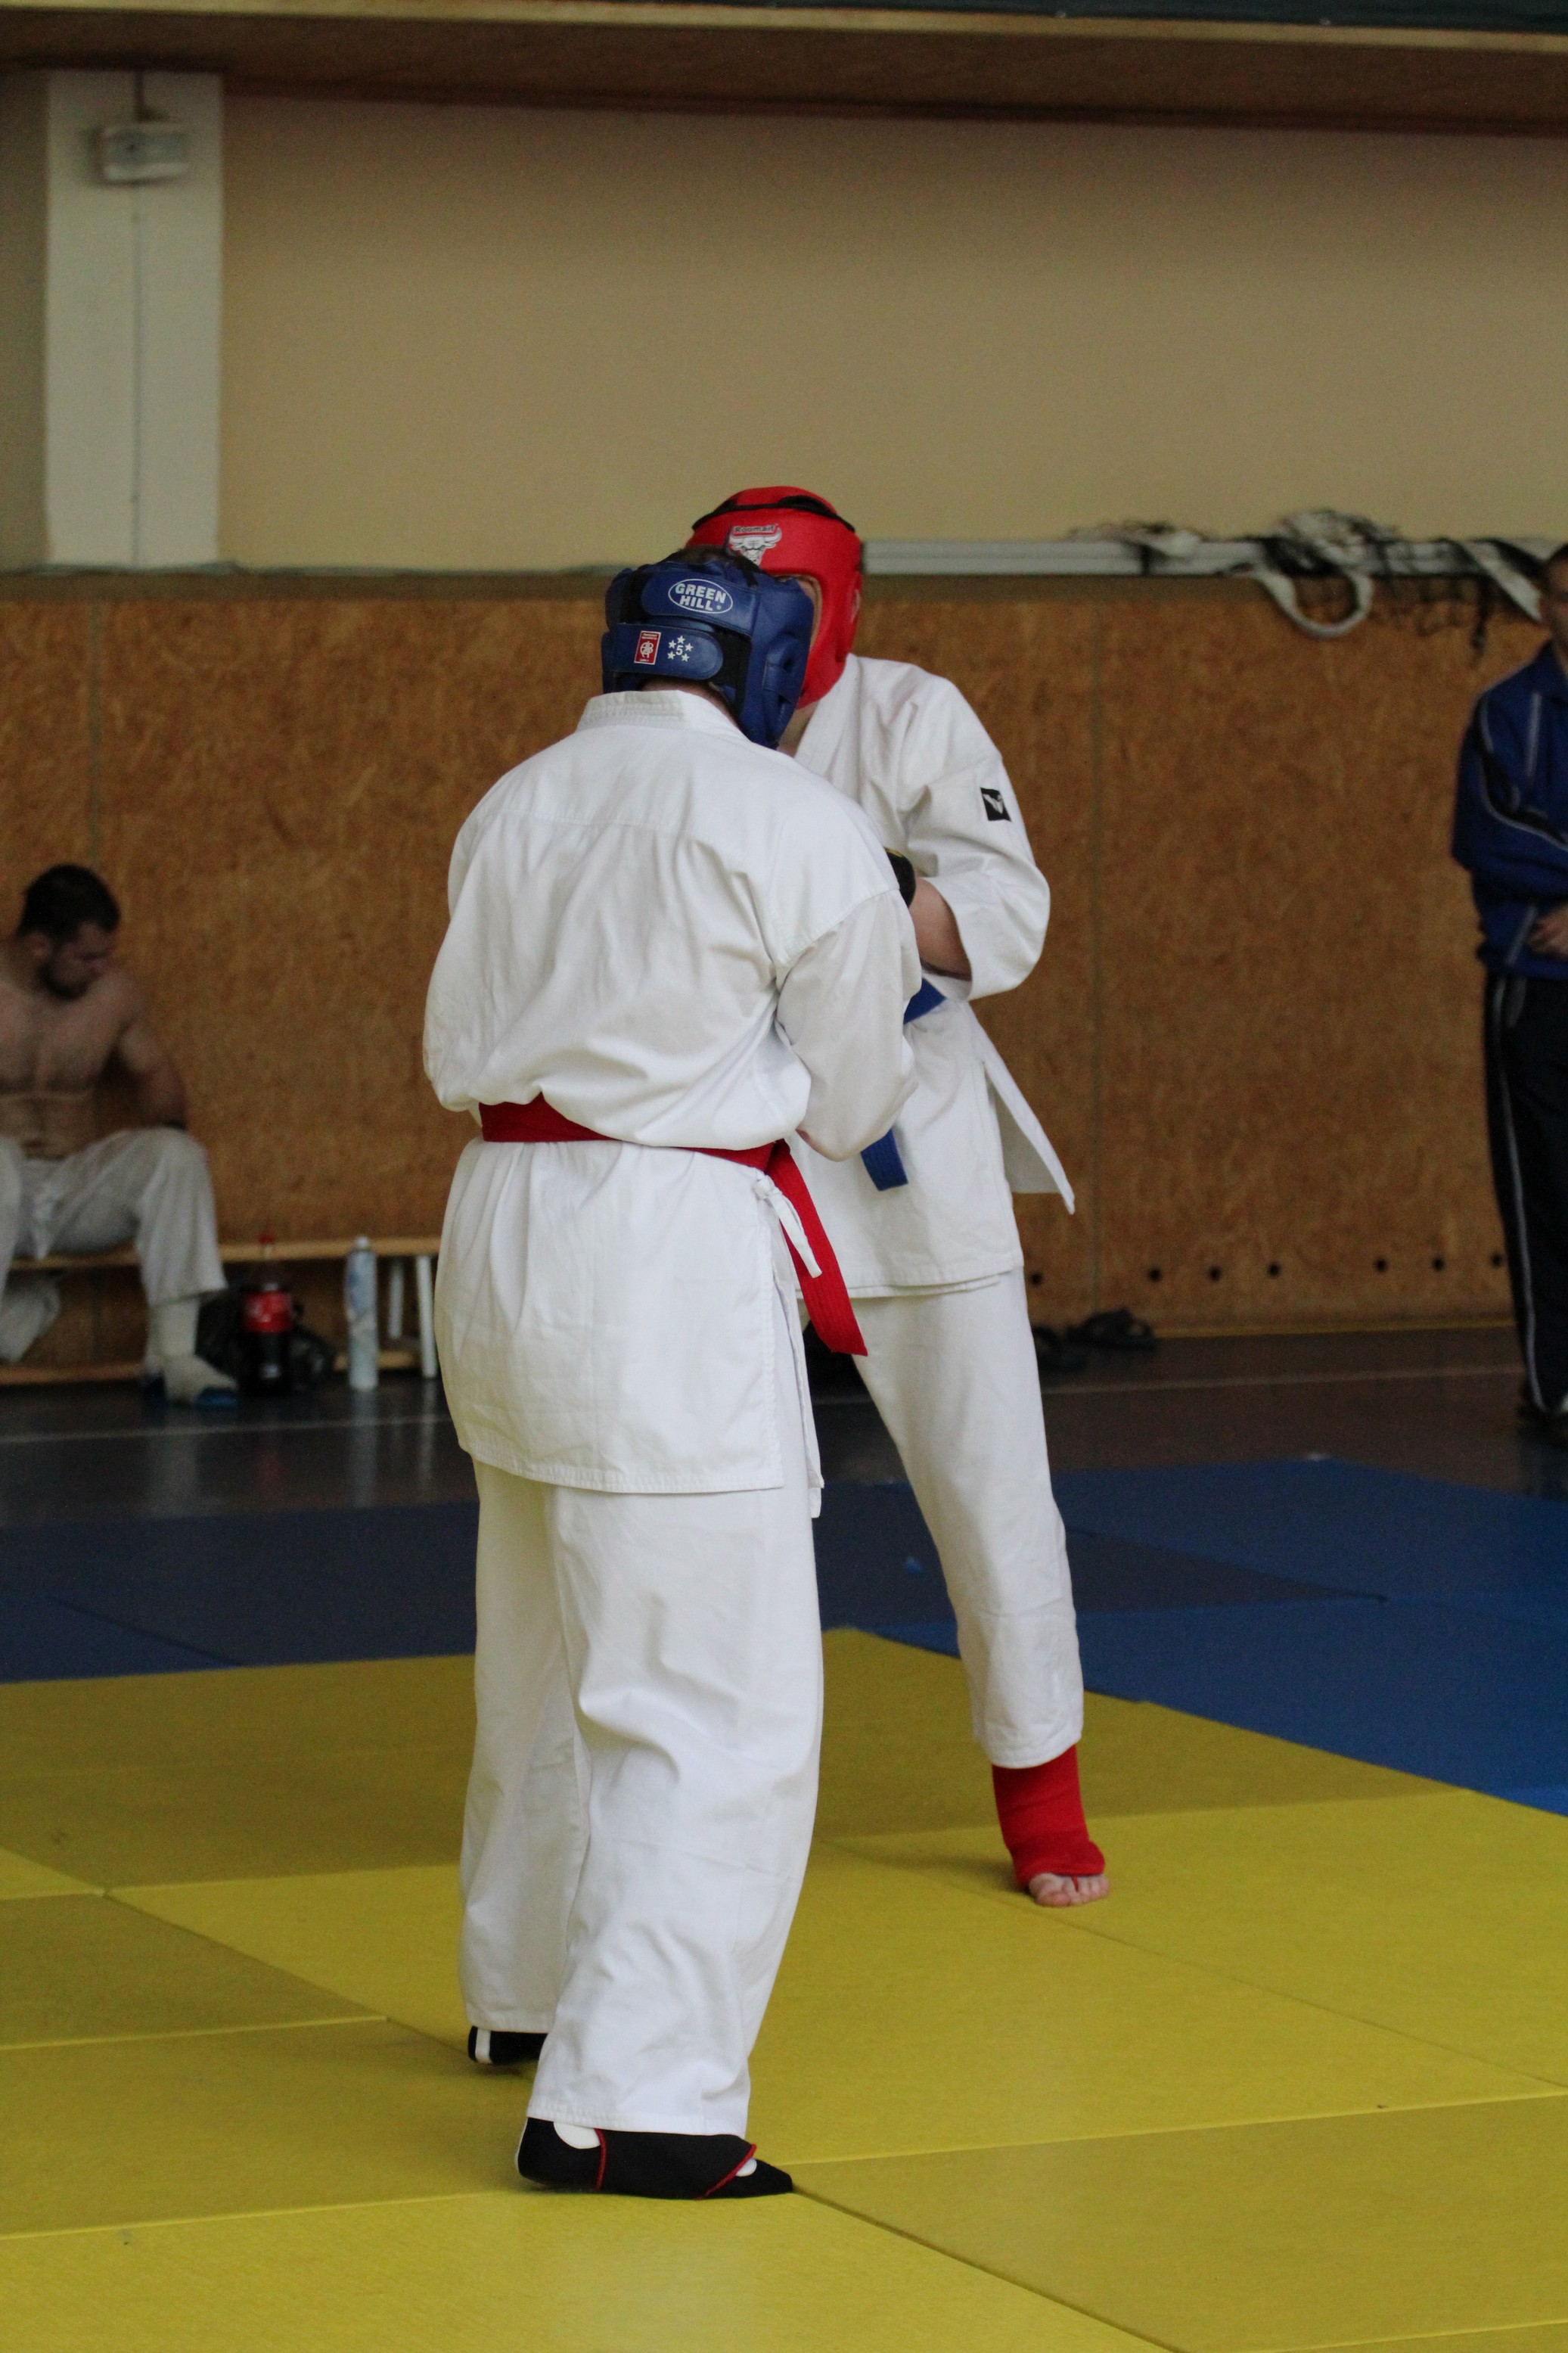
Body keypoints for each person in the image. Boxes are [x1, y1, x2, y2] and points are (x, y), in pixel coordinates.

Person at [424, 546, 918, 2200]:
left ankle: (523, 1986)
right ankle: (634, 2100)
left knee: (542, 1638)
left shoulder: (514, 799)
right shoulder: (792, 819)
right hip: (663, 1248)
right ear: (770, 667)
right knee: (712, 1699)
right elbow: (854, 1098)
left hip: (501, 1228)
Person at [688, 488, 1108, 1907]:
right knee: (709, 1500)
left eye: (790, 601)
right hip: (728, 1138)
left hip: (909, 1142)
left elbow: (1005, 920)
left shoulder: (912, 715)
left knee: (991, 1487)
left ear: (841, 605)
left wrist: (854, 878)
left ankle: (1041, 1794)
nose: (766, 626)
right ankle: (698, 1787)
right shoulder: (672, 733)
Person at [0, 865, 233, 1404]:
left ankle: (173, 1357)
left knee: (177, 1155)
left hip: (72, 1192)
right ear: (38, 946)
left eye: (105, 955)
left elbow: (154, 1075)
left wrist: (170, 1137)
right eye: (86, 958)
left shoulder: (113, 995)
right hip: (3, 1188)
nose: (101, 969)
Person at [1452, 542, 1568, 1443]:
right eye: (1566, 597)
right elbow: (1492, 834)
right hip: (1539, 983)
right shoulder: (1507, 712)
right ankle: (1557, 1383)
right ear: (1542, 606)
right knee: (1547, 1184)